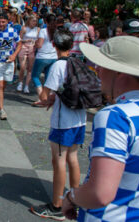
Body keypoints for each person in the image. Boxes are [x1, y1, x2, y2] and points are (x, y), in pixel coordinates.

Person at [61, 36, 139, 221]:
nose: (97, 69)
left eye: (102, 64)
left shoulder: (116, 116)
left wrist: (71, 197)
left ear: (119, 73)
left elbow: (100, 193)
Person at [30, 29, 86, 220]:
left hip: (63, 122)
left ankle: (57, 206)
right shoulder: (78, 62)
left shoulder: (58, 66)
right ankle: (76, 201)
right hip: (80, 119)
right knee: (73, 159)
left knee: (59, 162)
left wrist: (46, 98)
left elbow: (44, 96)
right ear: (71, 45)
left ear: (53, 45)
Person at [0, 12, 22, 120]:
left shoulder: (13, 31)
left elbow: (19, 43)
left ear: (7, 22)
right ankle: (1, 110)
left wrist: (14, 55)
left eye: (3, 22)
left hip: (9, 62)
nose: (1, 24)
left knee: (3, 85)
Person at [31, 14, 59, 107]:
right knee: (48, 78)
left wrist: (35, 44)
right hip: (53, 57)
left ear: (46, 21)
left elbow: (39, 45)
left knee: (35, 76)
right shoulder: (57, 31)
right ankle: (47, 97)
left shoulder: (43, 31)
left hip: (42, 56)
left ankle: (41, 97)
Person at [17, 15, 40, 94]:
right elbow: (19, 39)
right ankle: (20, 82)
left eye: (36, 21)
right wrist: (26, 40)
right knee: (22, 67)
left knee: (30, 68)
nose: (34, 22)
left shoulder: (38, 29)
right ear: (29, 21)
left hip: (32, 49)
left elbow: (39, 40)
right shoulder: (24, 28)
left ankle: (26, 86)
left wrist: (35, 42)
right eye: (33, 21)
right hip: (23, 47)